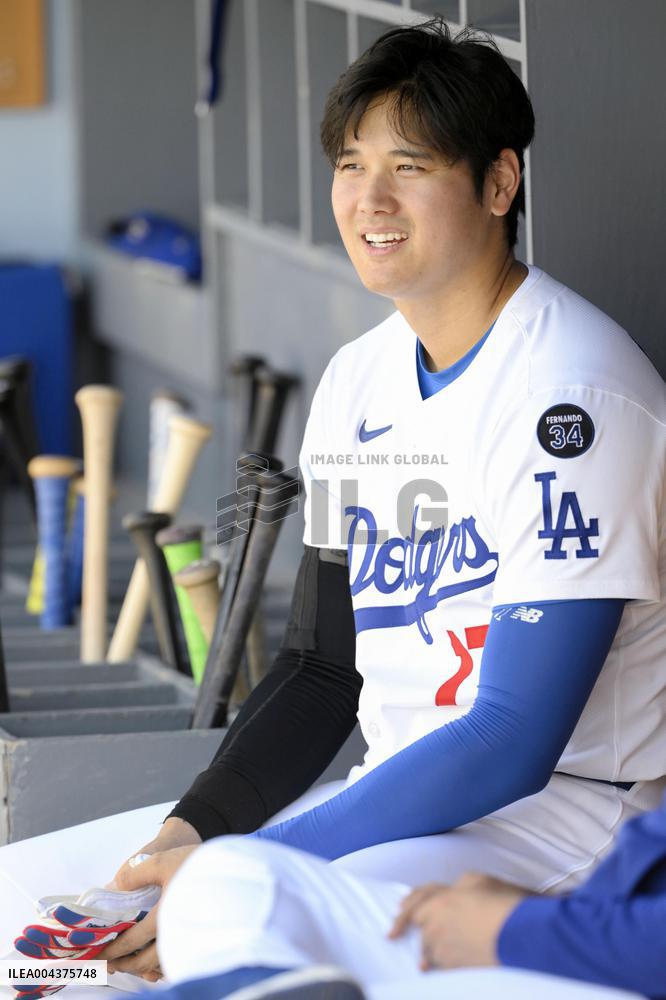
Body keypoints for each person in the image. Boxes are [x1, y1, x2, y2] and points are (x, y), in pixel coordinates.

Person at [2, 17, 663, 1000]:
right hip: (394, 800)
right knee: (34, 901)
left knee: (235, 908)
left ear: (497, 182)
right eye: (351, 165)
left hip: (561, 821)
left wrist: (253, 858)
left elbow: (517, 736)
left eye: (410, 165)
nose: (370, 199)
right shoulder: (359, 381)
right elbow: (320, 669)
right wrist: (197, 826)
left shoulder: (573, 396)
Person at [121, 789, 666, 999]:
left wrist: (512, 927)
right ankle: (44, 971)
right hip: (606, 936)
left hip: (617, 972)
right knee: (222, 872)